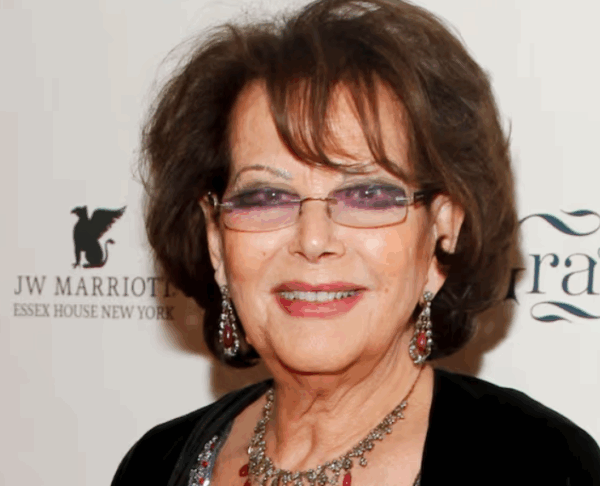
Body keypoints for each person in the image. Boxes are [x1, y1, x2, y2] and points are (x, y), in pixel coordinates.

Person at [112, 0, 600, 484]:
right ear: (216, 240)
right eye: (266, 196)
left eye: (367, 194)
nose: (313, 239)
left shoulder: (541, 466)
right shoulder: (156, 464)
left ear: (443, 230)